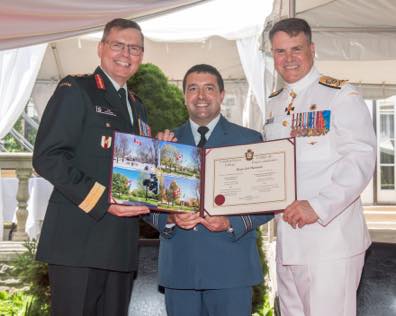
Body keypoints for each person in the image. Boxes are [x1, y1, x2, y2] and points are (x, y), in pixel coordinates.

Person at [32, 18, 151, 316]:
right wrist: (103, 200)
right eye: (118, 45)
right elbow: (48, 156)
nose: (126, 53)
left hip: (121, 245)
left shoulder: (137, 106)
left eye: (134, 48)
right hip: (78, 243)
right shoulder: (77, 89)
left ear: (141, 56)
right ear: (101, 48)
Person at [264, 18, 377, 316]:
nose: (288, 59)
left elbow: (361, 158)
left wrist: (318, 205)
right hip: (288, 241)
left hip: (330, 242)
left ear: (312, 49)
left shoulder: (340, 94)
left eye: (296, 49)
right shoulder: (275, 103)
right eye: (279, 51)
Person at [149, 64, 273, 316]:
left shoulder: (249, 140)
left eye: (209, 88)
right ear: (184, 96)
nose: (201, 96)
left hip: (231, 270)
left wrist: (230, 222)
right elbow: (143, 203)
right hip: (180, 271)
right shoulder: (164, 142)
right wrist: (170, 218)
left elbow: (269, 203)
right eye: (193, 89)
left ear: (221, 95)